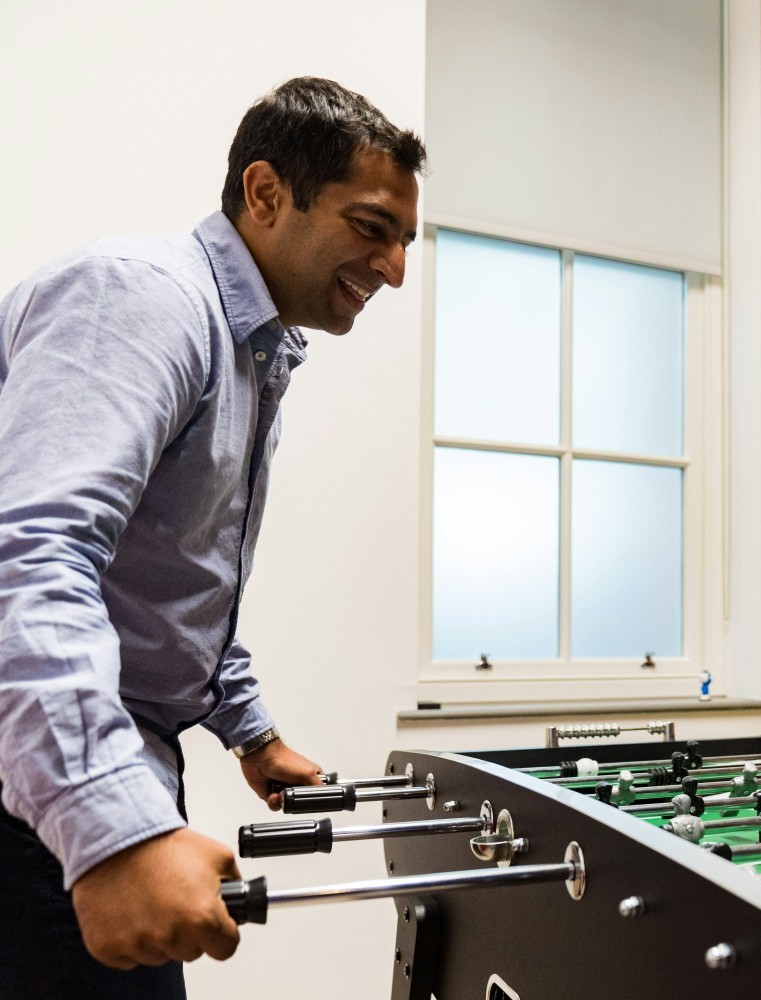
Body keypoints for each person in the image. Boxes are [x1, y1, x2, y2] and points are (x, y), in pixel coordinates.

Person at [0, 77, 425, 997]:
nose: (394, 269)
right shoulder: (144, 299)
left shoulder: (251, 349)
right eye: (371, 227)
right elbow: (31, 561)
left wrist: (249, 730)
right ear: (266, 194)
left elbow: (168, 577)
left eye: (404, 242)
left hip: (108, 764)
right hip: (35, 800)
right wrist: (106, 829)